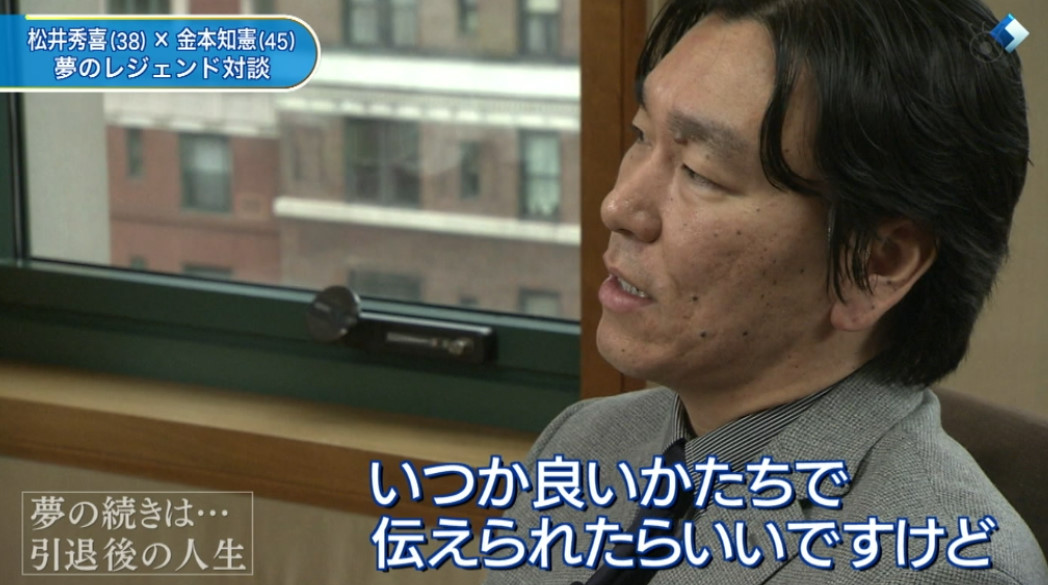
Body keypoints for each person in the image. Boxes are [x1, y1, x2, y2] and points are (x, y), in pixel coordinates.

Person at [483, 0, 1048, 583]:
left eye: (700, 171)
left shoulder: (944, 569)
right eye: (641, 135)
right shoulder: (581, 443)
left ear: (877, 263)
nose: (619, 207)